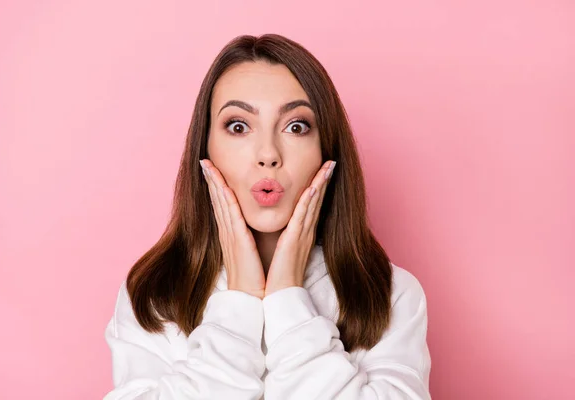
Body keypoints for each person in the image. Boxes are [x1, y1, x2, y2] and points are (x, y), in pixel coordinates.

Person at [103, 33, 432, 400]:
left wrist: (288, 296)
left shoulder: (388, 294)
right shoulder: (153, 294)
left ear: (327, 149)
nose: (268, 154)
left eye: (296, 126)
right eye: (239, 126)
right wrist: (241, 298)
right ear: (205, 146)